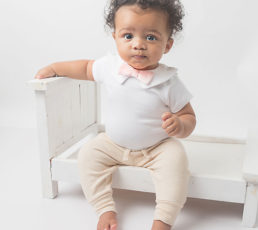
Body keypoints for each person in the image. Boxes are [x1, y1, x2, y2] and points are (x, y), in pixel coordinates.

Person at [35, 0, 196, 229]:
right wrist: (54, 68)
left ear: (167, 45)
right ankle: (105, 210)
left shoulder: (169, 81)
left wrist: (180, 124)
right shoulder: (109, 66)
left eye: (150, 37)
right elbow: (84, 68)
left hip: (157, 147)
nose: (138, 45)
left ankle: (163, 220)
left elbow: (189, 116)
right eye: (128, 36)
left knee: (177, 161)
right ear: (115, 38)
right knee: (88, 154)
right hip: (114, 144)